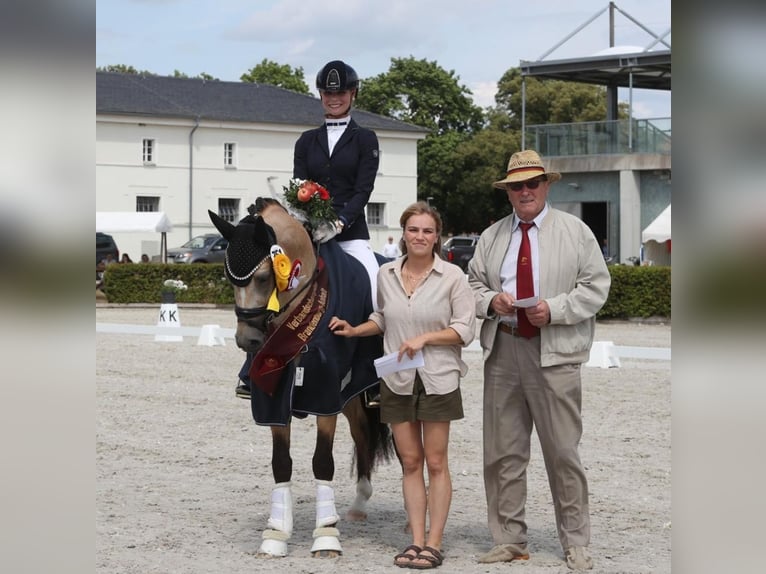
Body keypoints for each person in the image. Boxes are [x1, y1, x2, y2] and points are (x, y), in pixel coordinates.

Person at [466, 150, 611, 571]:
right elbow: (472, 284)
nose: (525, 191)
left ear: (547, 185)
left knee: (563, 450)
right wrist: (491, 300)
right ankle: (509, 538)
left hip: (556, 352)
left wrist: (557, 309)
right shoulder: (491, 236)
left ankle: (576, 541)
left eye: (532, 183)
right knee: (502, 452)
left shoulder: (577, 232)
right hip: (504, 347)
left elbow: (596, 286)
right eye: (517, 186)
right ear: (508, 192)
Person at [329, 201, 476, 570]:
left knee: (436, 462)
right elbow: (382, 317)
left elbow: (465, 330)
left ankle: (434, 542)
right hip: (397, 378)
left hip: (438, 378)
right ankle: (414, 541)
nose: (420, 237)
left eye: (427, 231)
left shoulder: (453, 277)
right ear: (404, 233)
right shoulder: (387, 274)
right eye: (413, 230)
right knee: (410, 462)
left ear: (437, 235)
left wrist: (426, 339)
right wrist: (354, 329)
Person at [236, 59, 381, 399]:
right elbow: (299, 185)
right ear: (320, 96)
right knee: (271, 281)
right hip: (308, 233)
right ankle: (250, 367)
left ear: (352, 94)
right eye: (328, 93)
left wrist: (339, 222)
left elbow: (364, 189)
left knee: (377, 289)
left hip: (350, 235)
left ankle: (374, 377)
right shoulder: (306, 141)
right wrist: (306, 220)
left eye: (341, 92)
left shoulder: (366, 139)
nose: (334, 98)